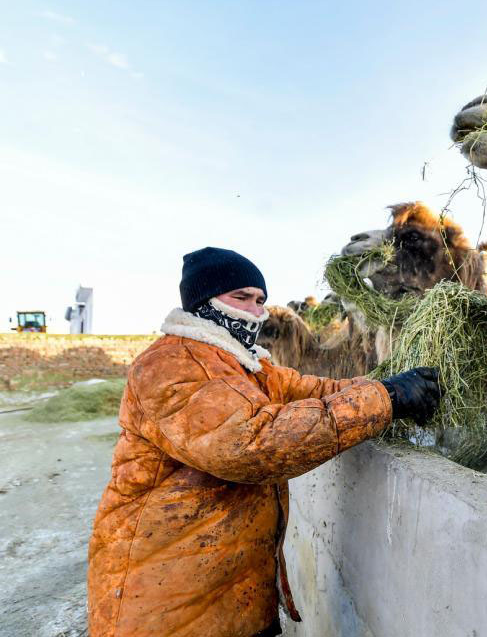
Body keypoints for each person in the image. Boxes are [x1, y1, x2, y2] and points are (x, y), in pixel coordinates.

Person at [87, 247, 441, 637]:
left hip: (231, 587)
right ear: (202, 301)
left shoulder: (247, 366)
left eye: (260, 301)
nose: (255, 312)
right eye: (241, 297)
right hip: (165, 594)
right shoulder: (172, 364)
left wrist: (388, 387)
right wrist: (385, 400)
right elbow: (250, 444)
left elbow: (316, 391)